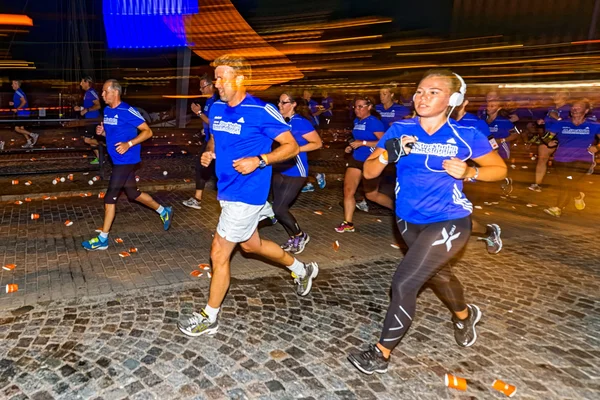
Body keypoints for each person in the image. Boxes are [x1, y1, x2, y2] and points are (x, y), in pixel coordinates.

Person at [347, 69, 506, 375]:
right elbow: (368, 174)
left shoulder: (466, 135)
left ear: (453, 99)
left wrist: (470, 173)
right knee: (439, 275)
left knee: (405, 281)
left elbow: (498, 169)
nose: (423, 97)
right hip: (407, 220)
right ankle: (464, 315)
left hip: (450, 219)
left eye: (433, 92)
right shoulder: (399, 129)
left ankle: (381, 354)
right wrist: (387, 155)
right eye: (420, 91)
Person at [177, 55, 319, 337]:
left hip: (248, 193)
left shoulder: (261, 110)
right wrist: (210, 151)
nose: (216, 84)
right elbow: (216, 136)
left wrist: (261, 160)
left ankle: (210, 317)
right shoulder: (216, 107)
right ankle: (303, 269)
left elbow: (290, 146)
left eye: (222, 78)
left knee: (219, 252)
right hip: (227, 190)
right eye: (215, 78)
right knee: (251, 246)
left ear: (240, 79)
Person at [82, 79, 173, 251]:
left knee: (110, 197)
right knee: (133, 193)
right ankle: (163, 211)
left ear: (115, 92)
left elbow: (148, 131)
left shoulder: (128, 110)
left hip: (126, 161)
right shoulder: (108, 110)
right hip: (117, 160)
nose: (102, 95)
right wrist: (102, 133)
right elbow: (112, 132)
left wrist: (129, 144)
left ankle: (103, 239)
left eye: (104, 91)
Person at [335, 96, 393, 233]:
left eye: (361, 106)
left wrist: (363, 143)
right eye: (355, 106)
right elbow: (358, 139)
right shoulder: (357, 121)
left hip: (370, 161)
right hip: (356, 159)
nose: (357, 109)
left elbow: (384, 143)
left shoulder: (374, 123)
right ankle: (348, 222)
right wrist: (352, 146)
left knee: (371, 195)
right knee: (348, 191)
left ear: (369, 107)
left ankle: (397, 209)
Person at [274, 92, 322, 254]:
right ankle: (293, 237)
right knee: (278, 208)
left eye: (283, 102)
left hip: (296, 169)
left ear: (293, 104)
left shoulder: (301, 122)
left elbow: (317, 143)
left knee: (280, 208)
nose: (279, 105)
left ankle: (301, 235)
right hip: (280, 167)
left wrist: (295, 149)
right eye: (279, 102)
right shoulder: (279, 120)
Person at [453, 98, 502, 254]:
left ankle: (488, 231)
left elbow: (493, 148)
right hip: (444, 173)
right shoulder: (440, 121)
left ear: (464, 102)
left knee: (455, 217)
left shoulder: (476, 123)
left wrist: (474, 171)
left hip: (467, 173)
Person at [543, 99, 600, 217]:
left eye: (578, 107)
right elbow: (546, 137)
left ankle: (558, 208)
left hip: (583, 159)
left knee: (568, 182)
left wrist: (597, 147)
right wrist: (549, 142)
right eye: (573, 107)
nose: (574, 109)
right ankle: (578, 195)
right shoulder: (561, 124)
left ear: (586, 110)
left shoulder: (594, 125)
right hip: (561, 158)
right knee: (565, 183)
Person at [183, 74, 219, 210]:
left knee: (208, 168)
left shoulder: (216, 101)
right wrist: (204, 130)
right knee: (202, 167)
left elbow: (213, 122)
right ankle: (197, 198)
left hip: (215, 142)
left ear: (210, 86)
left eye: (203, 87)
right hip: (209, 139)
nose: (201, 90)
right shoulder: (209, 101)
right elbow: (209, 122)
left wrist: (198, 113)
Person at [529, 91, 571, 192]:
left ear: (566, 97)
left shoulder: (569, 109)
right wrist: (542, 121)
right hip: (549, 135)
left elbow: (568, 122)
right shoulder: (551, 109)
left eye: (559, 95)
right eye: (555, 94)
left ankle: (568, 187)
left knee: (561, 162)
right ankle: (537, 184)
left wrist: (556, 117)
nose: (556, 96)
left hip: (563, 136)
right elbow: (548, 120)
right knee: (542, 159)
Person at [483, 92, 518, 195]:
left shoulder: (503, 121)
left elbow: (515, 134)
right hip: (489, 148)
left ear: (498, 108)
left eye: (492, 106)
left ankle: (506, 182)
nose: (488, 108)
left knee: (501, 167)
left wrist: (502, 140)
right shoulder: (484, 120)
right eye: (488, 106)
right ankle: (493, 190)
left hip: (502, 147)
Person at [73, 76, 102, 164]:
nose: (80, 84)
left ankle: (106, 145)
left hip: (92, 119)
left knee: (87, 140)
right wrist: (81, 108)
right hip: (89, 119)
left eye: (82, 82)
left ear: (87, 83)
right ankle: (100, 159)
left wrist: (86, 110)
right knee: (91, 141)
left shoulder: (90, 92)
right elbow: (89, 106)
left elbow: (98, 105)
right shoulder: (88, 93)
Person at [9, 80, 38, 149]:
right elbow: (22, 101)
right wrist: (13, 104)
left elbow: (24, 102)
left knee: (16, 129)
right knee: (22, 128)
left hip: (23, 112)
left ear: (16, 84)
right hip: (23, 112)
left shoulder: (18, 92)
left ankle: (33, 135)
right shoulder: (18, 92)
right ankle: (29, 142)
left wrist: (17, 109)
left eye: (13, 84)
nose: (12, 85)